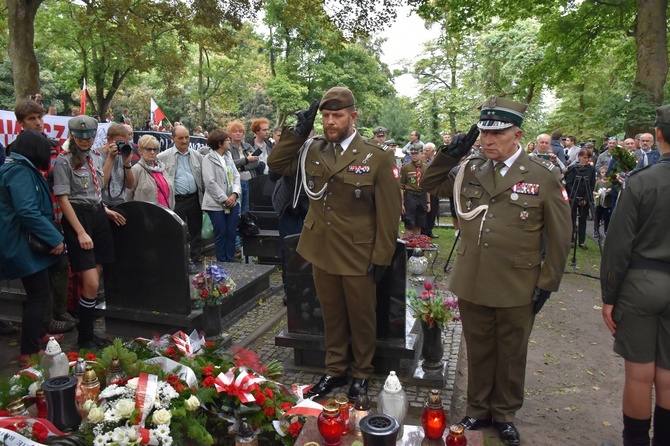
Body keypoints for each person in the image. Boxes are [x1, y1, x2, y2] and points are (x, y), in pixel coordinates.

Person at [421, 96, 571, 446]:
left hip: (518, 281)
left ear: (517, 134)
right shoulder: (471, 169)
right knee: (479, 347)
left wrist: (546, 283)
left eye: (498, 134)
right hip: (474, 278)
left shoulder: (542, 175)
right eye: (484, 134)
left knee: (511, 351)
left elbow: (561, 236)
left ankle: (504, 414)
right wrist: (449, 154)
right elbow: (428, 184)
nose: (488, 140)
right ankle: (478, 407)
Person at [268, 87, 401, 402]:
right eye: (326, 115)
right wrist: (298, 133)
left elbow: (389, 211)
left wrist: (382, 256)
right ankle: (335, 369)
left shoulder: (378, 155)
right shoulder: (312, 149)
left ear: (353, 117)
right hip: (321, 248)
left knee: (361, 316)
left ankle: (362, 374)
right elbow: (276, 164)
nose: (330, 122)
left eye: (337, 115)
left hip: (358, 252)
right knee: (331, 314)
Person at [600, 104, 670, 446]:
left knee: (640, 376)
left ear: (657, 134)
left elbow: (618, 244)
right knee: (669, 376)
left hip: (642, 283)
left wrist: (609, 297)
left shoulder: (643, 182)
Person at [54, 115, 123, 349]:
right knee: (91, 283)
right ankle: (84, 336)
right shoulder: (63, 161)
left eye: (89, 136)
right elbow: (63, 199)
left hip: (97, 216)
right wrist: (81, 232)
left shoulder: (95, 156)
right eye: (80, 136)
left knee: (98, 274)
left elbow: (98, 185)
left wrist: (112, 158)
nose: (84, 140)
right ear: (72, 136)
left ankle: (90, 335)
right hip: (78, 218)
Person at [0, 131, 65, 364]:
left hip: (24, 241)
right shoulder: (19, 171)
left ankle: (39, 335)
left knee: (41, 290)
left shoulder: (21, 167)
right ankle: (28, 350)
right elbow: (27, 211)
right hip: (21, 243)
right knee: (38, 295)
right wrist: (54, 238)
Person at [13, 100, 76, 335]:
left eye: (40, 118)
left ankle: (60, 310)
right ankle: (46, 320)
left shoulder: (54, 146)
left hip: (57, 213)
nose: (38, 123)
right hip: (35, 220)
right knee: (42, 272)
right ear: (21, 123)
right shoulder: (16, 150)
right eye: (32, 119)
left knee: (61, 265)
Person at [157, 125, 204, 273]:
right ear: (173, 139)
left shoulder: (196, 155)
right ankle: (181, 261)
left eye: (187, 137)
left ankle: (196, 259)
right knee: (180, 231)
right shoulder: (163, 156)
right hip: (177, 200)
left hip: (195, 198)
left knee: (196, 230)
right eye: (180, 138)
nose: (184, 141)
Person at [201, 130, 241, 262]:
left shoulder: (228, 157)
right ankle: (222, 263)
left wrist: (234, 194)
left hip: (233, 202)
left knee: (231, 232)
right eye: (227, 140)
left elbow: (236, 176)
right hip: (215, 204)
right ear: (219, 143)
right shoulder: (208, 159)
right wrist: (224, 198)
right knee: (221, 233)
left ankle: (230, 261)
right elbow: (209, 182)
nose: (229, 142)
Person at [126, 135, 174, 208]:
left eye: (155, 149)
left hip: (165, 213)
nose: (152, 152)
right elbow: (128, 195)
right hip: (146, 215)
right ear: (140, 151)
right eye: (148, 149)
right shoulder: (136, 169)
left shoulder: (162, 168)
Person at [565, 149, 596, 250]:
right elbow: (569, 183)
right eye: (584, 157)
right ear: (579, 157)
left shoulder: (591, 169)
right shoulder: (573, 168)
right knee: (572, 218)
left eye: (587, 158)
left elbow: (591, 185)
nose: (586, 160)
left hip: (585, 197)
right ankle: (570, 239)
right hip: (574, 197)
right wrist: (574, 196)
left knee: (582, 219)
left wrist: (586, 198)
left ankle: (581, 241)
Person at [228, 121, 260, 214]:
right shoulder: (228, 148)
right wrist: (246, 160)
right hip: (236, 184)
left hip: (250, 182)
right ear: (230, 134)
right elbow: (230, 164)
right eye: (235, 131)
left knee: (247, 210)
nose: (238, 133)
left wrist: (242, 168)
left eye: (240, 131)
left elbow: (256, 161)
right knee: (237, 211)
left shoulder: (247, 146)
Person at [101, 124, 135, 207]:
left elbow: (130, 185)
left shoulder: (122, 154)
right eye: (119, 142)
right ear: (108, 139)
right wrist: (110, 157)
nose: (122, 146)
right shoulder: (97, 155)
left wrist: (127, 164)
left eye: (125, 143)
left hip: (119, 204)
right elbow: (100, 183)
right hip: (102, 206)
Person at [400, 143, 429, 237]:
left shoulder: (426, 167)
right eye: (412, 153)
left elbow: (428, 186)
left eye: (416, 153)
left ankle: (417, 245)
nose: (414, 156)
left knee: (420, 222)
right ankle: (407, 246)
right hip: (410, 195)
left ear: (421, 153)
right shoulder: (406, 167)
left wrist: (428, 202)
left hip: (422, 195)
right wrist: (402, 202)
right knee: (409, 221)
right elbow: (401, 186)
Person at [422, 142, 440, 238]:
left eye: (427, 150)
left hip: (434, 188)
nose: (425, 152)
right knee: (426, 210)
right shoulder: (422, 160)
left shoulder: (437, 160)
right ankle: (424, 231)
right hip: (424, 189)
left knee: (433, 209)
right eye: (424, 150)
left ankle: (430, 230)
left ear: (433, 151)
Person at [593, 166, 612, 238]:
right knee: (597, 217)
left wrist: (608, 191)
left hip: (607, 204)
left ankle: (606, 231)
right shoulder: (598, 183)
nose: (604, 174)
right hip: (599, 203)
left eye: (605, 172)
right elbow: (594, 191)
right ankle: (596, 231)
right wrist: (598, 193)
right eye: (602, 172)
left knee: (607, 218)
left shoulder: (610, 183)